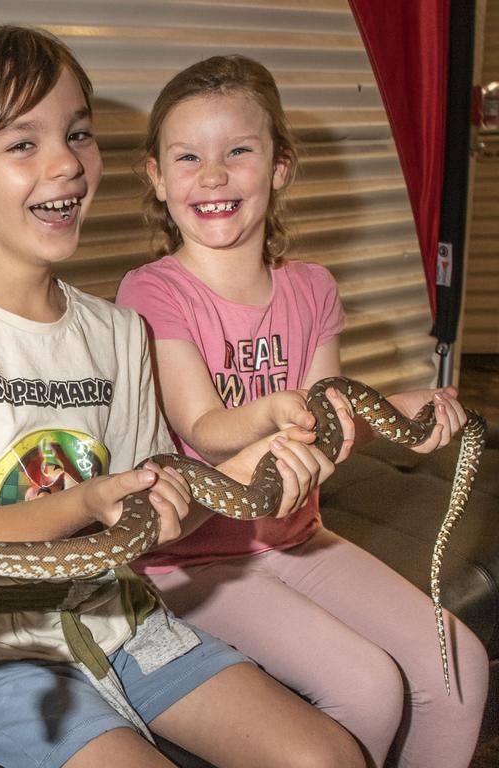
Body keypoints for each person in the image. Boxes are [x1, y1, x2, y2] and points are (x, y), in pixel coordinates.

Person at [0, 26, 364, 768]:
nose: (66, 163)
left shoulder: (120, 331)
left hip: (125, 621)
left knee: (327, 758)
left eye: (78, 134)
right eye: (22, 144)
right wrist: (89, 502)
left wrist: (245, 472)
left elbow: (146, 511)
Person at [116, 54, 489, 768]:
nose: (214, 174)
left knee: (459, 666)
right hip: (192, 561)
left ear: (281, 167)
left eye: (239, 152)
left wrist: (396, 410)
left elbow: (326, 432)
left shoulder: (312, 289)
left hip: (294, 536)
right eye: (188, 156)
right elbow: (202, 426)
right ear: (158, 178)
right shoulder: (153, 292)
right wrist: (276, 411)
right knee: (367, 686)